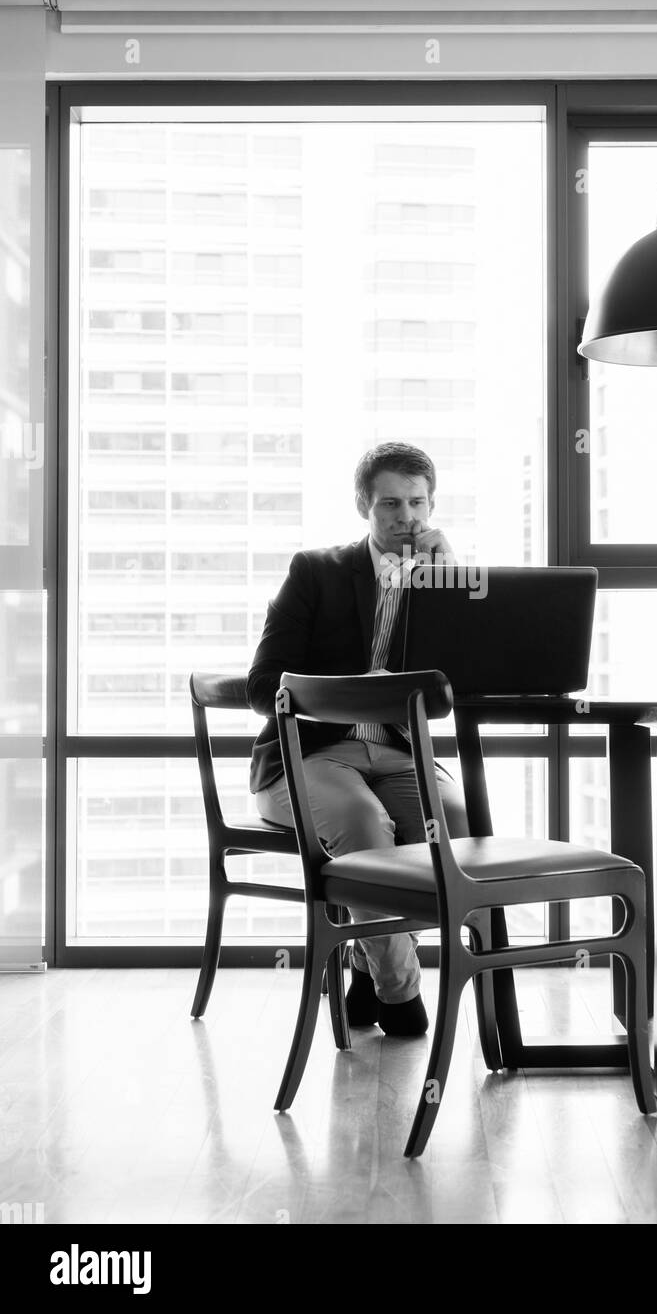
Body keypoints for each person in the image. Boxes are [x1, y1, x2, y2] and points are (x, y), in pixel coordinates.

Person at [246, 441, 469, 1037]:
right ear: (362, 505)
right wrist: (353, 689)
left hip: (397, 753)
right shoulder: (315, 572)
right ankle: (399, 989)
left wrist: (451, 585)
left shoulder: (440, 576)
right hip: (308, 758)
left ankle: (367, 963)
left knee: (456, 820)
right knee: (364, 825)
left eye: (418, 504)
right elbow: (263, 685)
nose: (407, 519)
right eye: (391, 504)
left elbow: (465, 685)